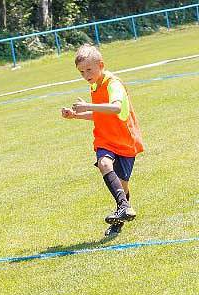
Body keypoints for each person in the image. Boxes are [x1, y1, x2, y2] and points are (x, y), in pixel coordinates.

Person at [61, 45, 144, 236]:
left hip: (125, 140)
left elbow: (114, 108)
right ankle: (123, 206)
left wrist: (87, 106)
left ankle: (120, 215)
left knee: (122, 186)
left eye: (89, 70)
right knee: (104, 163)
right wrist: (75, 115)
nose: (86, 75)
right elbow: (100, 115)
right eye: (82, 72)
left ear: (101, 65)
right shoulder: (94, 85)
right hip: (105, 139)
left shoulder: (113, 84)